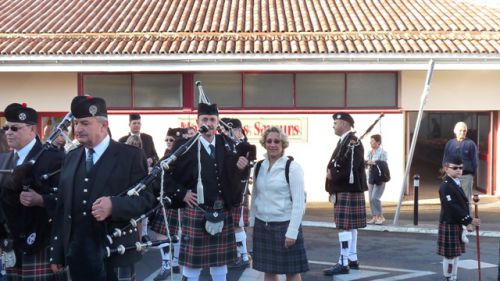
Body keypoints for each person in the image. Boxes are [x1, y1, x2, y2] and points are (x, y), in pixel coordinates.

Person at [49, 96, 155, 281]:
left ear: (103, 125)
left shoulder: (130, 156)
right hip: (77, 253)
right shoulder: (71, 157)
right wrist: (57, 252)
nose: (78, 129)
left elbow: (147, 200)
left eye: (85, 123)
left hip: (116, 252)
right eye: (76, 123)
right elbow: (62, 208)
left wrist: (115, 206)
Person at [164, 102, 249, 281]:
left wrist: (242, 169)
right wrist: (182, 193)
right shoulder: (185, 145)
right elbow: (162, 174)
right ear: (197, 121)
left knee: (220, 264)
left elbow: (233, 178)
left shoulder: (227, 144)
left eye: (212, 119)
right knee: (191, 266)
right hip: (196, 211)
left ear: (218, 123)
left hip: (221, 210)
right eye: (205, 119)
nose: (209, 123)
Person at [0, 103, 67, 280]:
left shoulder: (54, 158)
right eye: (6, 128)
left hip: (42, 241)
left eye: (15, 128)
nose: (8, 132)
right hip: (10, 244)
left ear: (32, 130)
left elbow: (67, 199)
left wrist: (41, 200)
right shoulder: (3, 160)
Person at [250, 126, 308, 281]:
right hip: (263, 225)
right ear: (264, 143)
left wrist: (292, 231)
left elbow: (299, 203)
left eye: (277, 141)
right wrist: (252, 222)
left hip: (285, 226)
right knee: (268, 271)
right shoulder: (258, 166)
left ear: (283, 144)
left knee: (292, 272)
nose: (272, 144)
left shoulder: (292, 167)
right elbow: (256, 195)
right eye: (269, 141)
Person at [323, 112, 367, 276]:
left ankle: (343, 261)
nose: (333, 125)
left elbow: (352, 166)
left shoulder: (353, 142)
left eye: (336, 122)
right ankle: (352, 258)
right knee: (350, 226)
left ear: (345, 123)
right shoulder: (346, 142)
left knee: (344, 226)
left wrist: (332, 175)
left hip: (347, 188)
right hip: (346, 189)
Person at [438, 155, 480, 281]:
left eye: (461, 168)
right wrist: (469, 219)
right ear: (446, 168)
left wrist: (467, 223)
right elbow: (452, 207)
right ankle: (448, 277)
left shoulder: (456, 183)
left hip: (457, 223)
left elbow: (462, 205)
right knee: (449, 256)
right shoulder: (445, 186)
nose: (458, 170)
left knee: (456, 255)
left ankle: (454, 276)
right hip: (449, 222)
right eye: (455, 167)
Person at [150, 127, 183, 281]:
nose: (169, 142)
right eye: (167, 140)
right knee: (168, 233)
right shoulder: (166, 156)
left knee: (165, 233)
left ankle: (168, 264)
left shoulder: (177, 157)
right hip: (168, 199)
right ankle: (172, 263)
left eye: (172, 140)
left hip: (174, 200)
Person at [220, 118, 252, 268]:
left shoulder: (245, 147)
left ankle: (244, 256)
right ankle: (239, 254)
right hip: (231, 189)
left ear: (238, 131)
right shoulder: (230, 146)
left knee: (236, 224)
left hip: (239, 190)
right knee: (234, 224)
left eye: (228, 130)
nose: (225, 133)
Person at [442, 122, 478, 209]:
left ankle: (466, 221)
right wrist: (445, 171)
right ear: (455, 131)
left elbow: (475, 161)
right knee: (450, 199)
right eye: (460, 130)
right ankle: (453, 222)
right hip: (451, 177)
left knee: (465, 200)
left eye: (464, 131)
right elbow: (445, 159)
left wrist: (471, 175)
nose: (462, 133)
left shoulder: (471, 144)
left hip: (465, 176)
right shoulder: (450, 143)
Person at [365, 134, 388, 225]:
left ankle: (380, 216)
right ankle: (374, 217)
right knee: (370, 198)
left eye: (373, 141)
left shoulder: (383, 152)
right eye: (370, 141)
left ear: (378, 142)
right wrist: (366, 162)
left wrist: (373, 162)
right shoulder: (369, 152)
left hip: (379, 178)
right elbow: (367, 165)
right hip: (371, 177)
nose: (371, 142)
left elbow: (383, 164)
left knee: (375, 198)